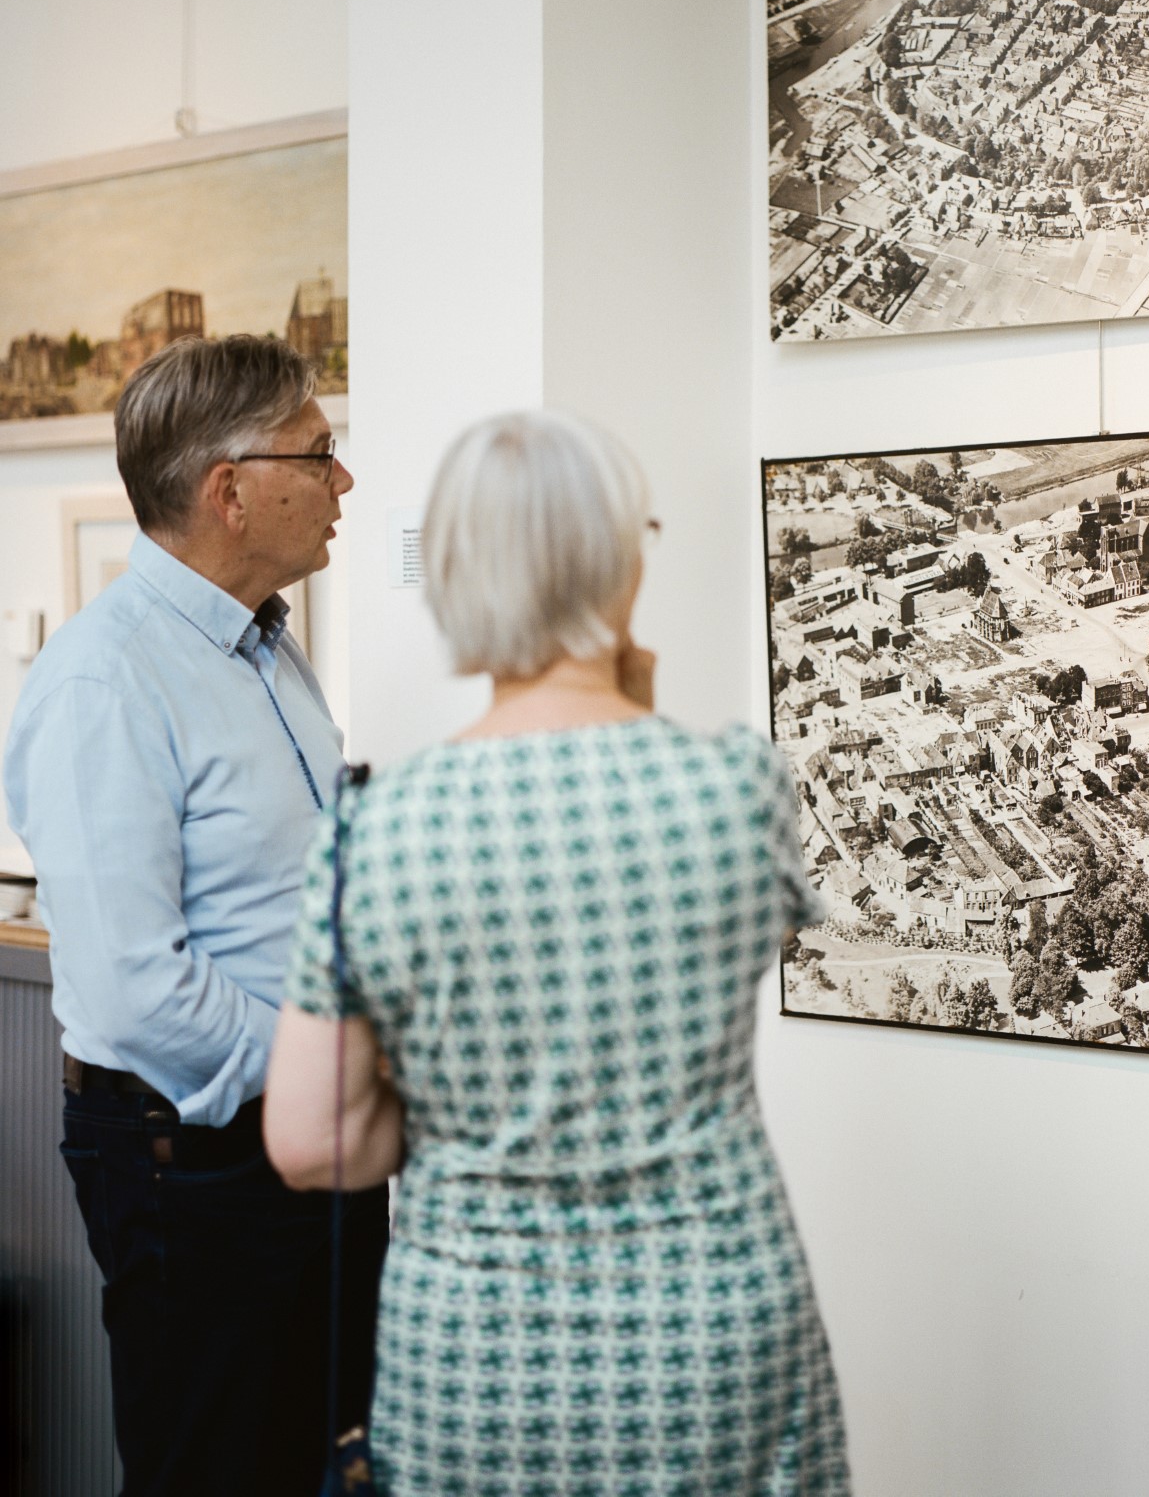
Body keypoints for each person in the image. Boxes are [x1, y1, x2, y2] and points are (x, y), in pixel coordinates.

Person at [264, 409, 850, 1496]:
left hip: (478, 1355)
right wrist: (635, 708)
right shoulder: (735, 788)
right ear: (620, 561)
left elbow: (311, 1144)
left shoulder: (374, 828)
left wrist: (445, 1102)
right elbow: (717, 963)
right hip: (710, 1331)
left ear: (449, 579)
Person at [3, 335, 387, 1497]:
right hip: (195, 1158)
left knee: (327, 1460)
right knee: (217, 1471)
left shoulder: (269, 651)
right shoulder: (100, 682)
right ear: (229, 489)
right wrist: (327, 1066)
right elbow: (131, 985)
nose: (344, 481)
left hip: (310, 1132)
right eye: (321, 452)